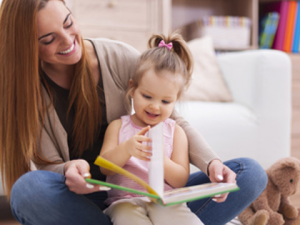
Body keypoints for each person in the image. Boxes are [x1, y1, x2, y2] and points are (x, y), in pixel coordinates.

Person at [0, 0, 267, 224]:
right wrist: (69, 169)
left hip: (158, 193)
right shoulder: (28, 94)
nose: (68, 40)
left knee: (249, 173)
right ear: (27, 48)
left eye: (69, 23)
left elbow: (173, 120)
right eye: (49, 39)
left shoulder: (118, 57)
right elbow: (48, 165)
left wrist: (212, 164)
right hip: (93, 198)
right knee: (27, 190)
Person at [99, 33, 203, 225]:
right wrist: (126, 149)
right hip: (124, 202)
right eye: (147, 96)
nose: (155, 106)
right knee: (128, 219)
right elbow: (103, 166)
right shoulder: (118, 126)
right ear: (132, 89)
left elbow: (180, 180)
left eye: (165, 101)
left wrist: (162, 160)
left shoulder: (176, 132)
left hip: (165, 201)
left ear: (175, 101)